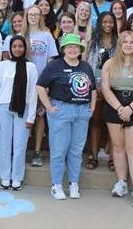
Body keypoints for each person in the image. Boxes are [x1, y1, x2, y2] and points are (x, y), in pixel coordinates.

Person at [37, 33, 97, 200]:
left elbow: (93, 90)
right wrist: (49, 107)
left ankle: (73, 183)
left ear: (80, 49)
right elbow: (40, 87)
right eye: (69, 46)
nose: (72, 49)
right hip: (61, 110)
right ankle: (56, 185)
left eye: (75, 47)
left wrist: (91, 108)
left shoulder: (86, 67)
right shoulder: (54, 66)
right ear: (64, 49)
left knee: (76, 151)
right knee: (58, 150)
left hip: (81, 112)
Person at [101, 31, 133, 206]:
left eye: (132, 42)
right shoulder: (109, 63)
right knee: (117, 147)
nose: (128, 45)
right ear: (120, 44)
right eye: (125, 42)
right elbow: (106, 89)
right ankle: (122, 182)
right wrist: (119, 108)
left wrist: (130, 108)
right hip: (114, 105)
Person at [0, 35, 38, 191]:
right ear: (10, 48)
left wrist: (31, 116)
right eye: (14, 46)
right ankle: (5, 177)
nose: (17, 49)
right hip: (3, 108)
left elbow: (32, 94)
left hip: (22, 109)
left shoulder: (30, 67)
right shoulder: (3, 65)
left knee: (19, 146)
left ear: (25, 48)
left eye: (20, 46)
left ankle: (17, 177)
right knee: (4, 145)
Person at [20, 6, 58, 168]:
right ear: (26, 16)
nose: (34, 17)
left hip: (41, 82)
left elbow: (51, 61)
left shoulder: (47, 36)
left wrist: (47, 83)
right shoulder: (21, 35)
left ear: (41, 17)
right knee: (23, 115)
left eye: (37, 14)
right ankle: (21, 150)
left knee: (40, 116)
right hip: (24, 81)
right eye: (31, 14)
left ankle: (37, 152)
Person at [84, 12, 117, 171]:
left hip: (113, 87)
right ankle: (94, 156)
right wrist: (93, 86)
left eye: (111, 22)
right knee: (95, 120)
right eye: (105, 22)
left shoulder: (119, 42)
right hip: (94, 85)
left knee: (112, 122)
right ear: (100, 24)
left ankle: (112, 157)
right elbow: (86, 64)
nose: (108, 25)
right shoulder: (92, 42)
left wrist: (108, 87)